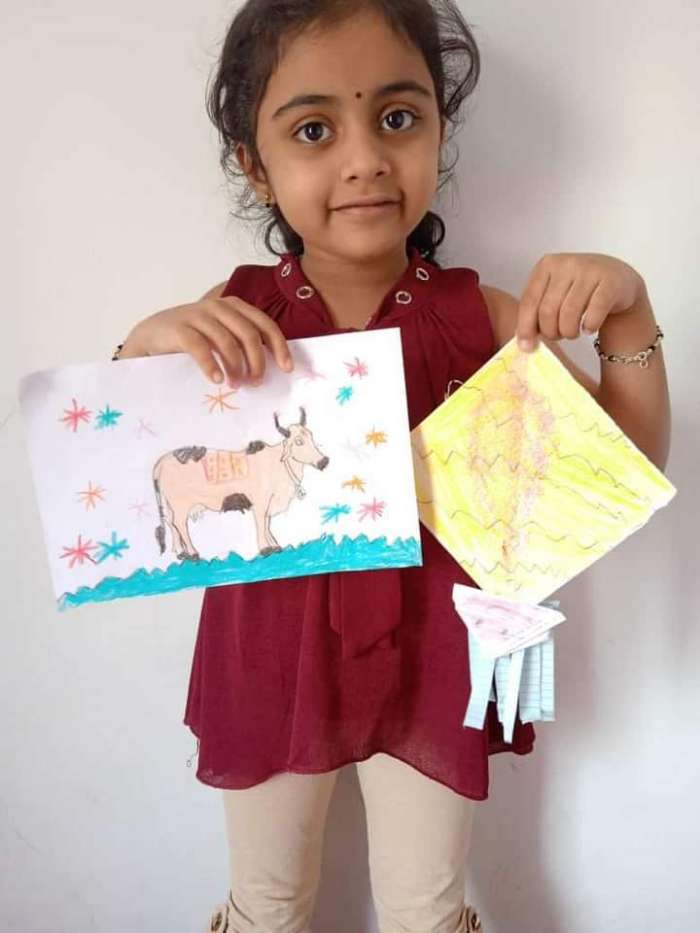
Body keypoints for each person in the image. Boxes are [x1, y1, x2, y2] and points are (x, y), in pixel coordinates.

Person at [114, 2, 671, 930]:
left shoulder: (485, 318)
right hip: (268, 651)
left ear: (439, 131)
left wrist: (630, 316)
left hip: (434, 656)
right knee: (267, 903)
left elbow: (626, 466)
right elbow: (122, 473)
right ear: (255, 164)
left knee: (426, 906)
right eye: (314, 129)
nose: (366, 157)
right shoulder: (235, 317)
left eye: (399, 117)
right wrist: (142, 345)